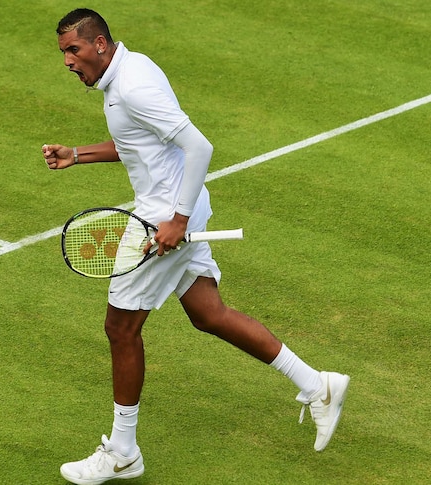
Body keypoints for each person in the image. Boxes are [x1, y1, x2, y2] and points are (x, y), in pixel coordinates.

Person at [42, 8, 350, 485]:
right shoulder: (128, 71)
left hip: (163, 217)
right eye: (63, 51)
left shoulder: (133, 86)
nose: (67, 60)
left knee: (121, 328)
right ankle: (317, 384)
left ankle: (123, 452)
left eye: (73, 49)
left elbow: (198, 147)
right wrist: (78, 154)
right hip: (173, 209)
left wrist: (177, 220)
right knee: (208, 313)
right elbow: (140, 142)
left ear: (100, 44)